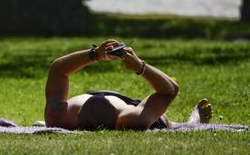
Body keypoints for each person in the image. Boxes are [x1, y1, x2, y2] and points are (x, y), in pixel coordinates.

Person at [44, 39, 213, 130]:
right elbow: (170, 90)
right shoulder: (130, 119)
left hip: (91, 105)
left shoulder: (57, 115)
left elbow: (57, 70)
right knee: (164, 122)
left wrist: (95, 54)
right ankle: (195, 119)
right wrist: (140, 67)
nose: (101, 97)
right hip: (131, 108)